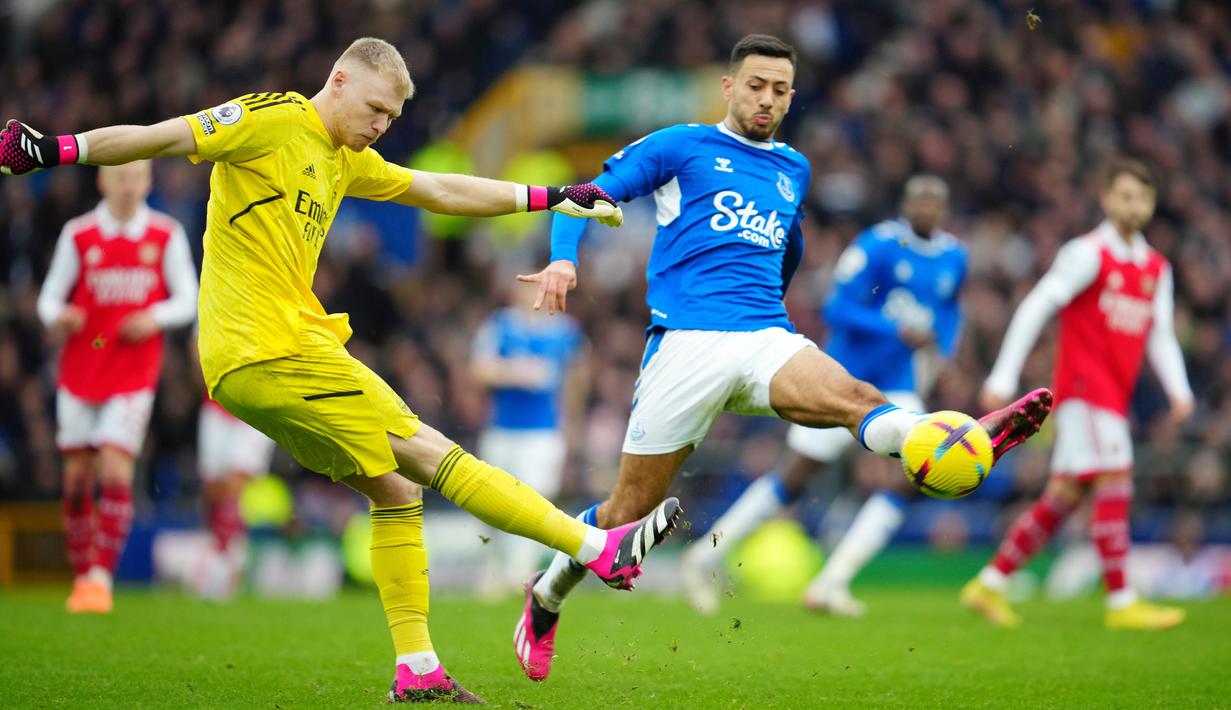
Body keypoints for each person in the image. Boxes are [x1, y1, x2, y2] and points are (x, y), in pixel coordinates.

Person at [1, 37, 682, 703]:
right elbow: (162, 136)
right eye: (375, 110)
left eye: (391, 118)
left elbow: (437, 188)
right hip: (268, 348)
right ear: (340, 81)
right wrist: (58, 149)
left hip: (261, 359)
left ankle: (417, 670)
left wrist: (548, 197)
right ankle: (594, 544)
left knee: (393, 490)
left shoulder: (343, 157)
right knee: (426, 448)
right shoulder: (268, 119)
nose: (380, 126)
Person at [513, 33, 1051, 682]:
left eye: (779, 90)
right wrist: (565, 258)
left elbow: (788, 246)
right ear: (728, 86)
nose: (765, 99)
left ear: (791, 97)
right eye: (755, 85)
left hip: (765, 338)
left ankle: (963, 437)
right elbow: (584, 195)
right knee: (625, 511)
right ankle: (544, 600)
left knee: (858, 399)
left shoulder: (792, 168)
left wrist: (774, 307)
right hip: (685, 344)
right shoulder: (680, 145)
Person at [680, 175, 967, 617]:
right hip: (845, 379)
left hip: (897, 383)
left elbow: (948, 312)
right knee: (794, 477)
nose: (928, 209)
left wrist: (943, 355)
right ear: (905, 205)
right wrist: (895, 330)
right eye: (920, 201)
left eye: (936, 202)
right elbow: (837, 307)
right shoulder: (879, 245)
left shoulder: (954, 257)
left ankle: (832, 581)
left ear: (945, 210)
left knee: (914, 474)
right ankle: (706, 555)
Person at [961, 158, 1194, 631]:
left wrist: (1180, 389)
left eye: (1143, 197)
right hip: (1084, 392)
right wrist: (1004, 376)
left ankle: (990, 582)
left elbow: (1161, 334)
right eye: (1125, 195)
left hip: (1113, 396)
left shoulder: (1156, 267)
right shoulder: (1087, 253)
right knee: (1116, 478)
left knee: (1064, 496)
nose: (1135, 206)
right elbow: (1037, 305)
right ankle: (1122, 601)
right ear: (1106, 198)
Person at [36, 160, 199, 614]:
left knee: (113, 467)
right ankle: (82, 571)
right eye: (120, 177)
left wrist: (154, 317)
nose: (128, 187)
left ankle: (100, 578)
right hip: (82, 366)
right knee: (75, 480)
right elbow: (49, 298)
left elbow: (187, 298)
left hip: (133, 372)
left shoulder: (165, 234)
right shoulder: (79, 234)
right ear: (103, 181)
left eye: (137, 178)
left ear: (147, 182)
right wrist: (59, 316)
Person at [470, 285, 589, 596]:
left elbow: (578, 378)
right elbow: (479, 370)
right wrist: (514, 372)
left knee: (535, 499)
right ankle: (492, 571)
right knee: (490, 502)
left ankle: (521, 574)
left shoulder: (566, 331)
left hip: (543, 433)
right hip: (502, 429)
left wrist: (572, 421)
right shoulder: (499, 326)